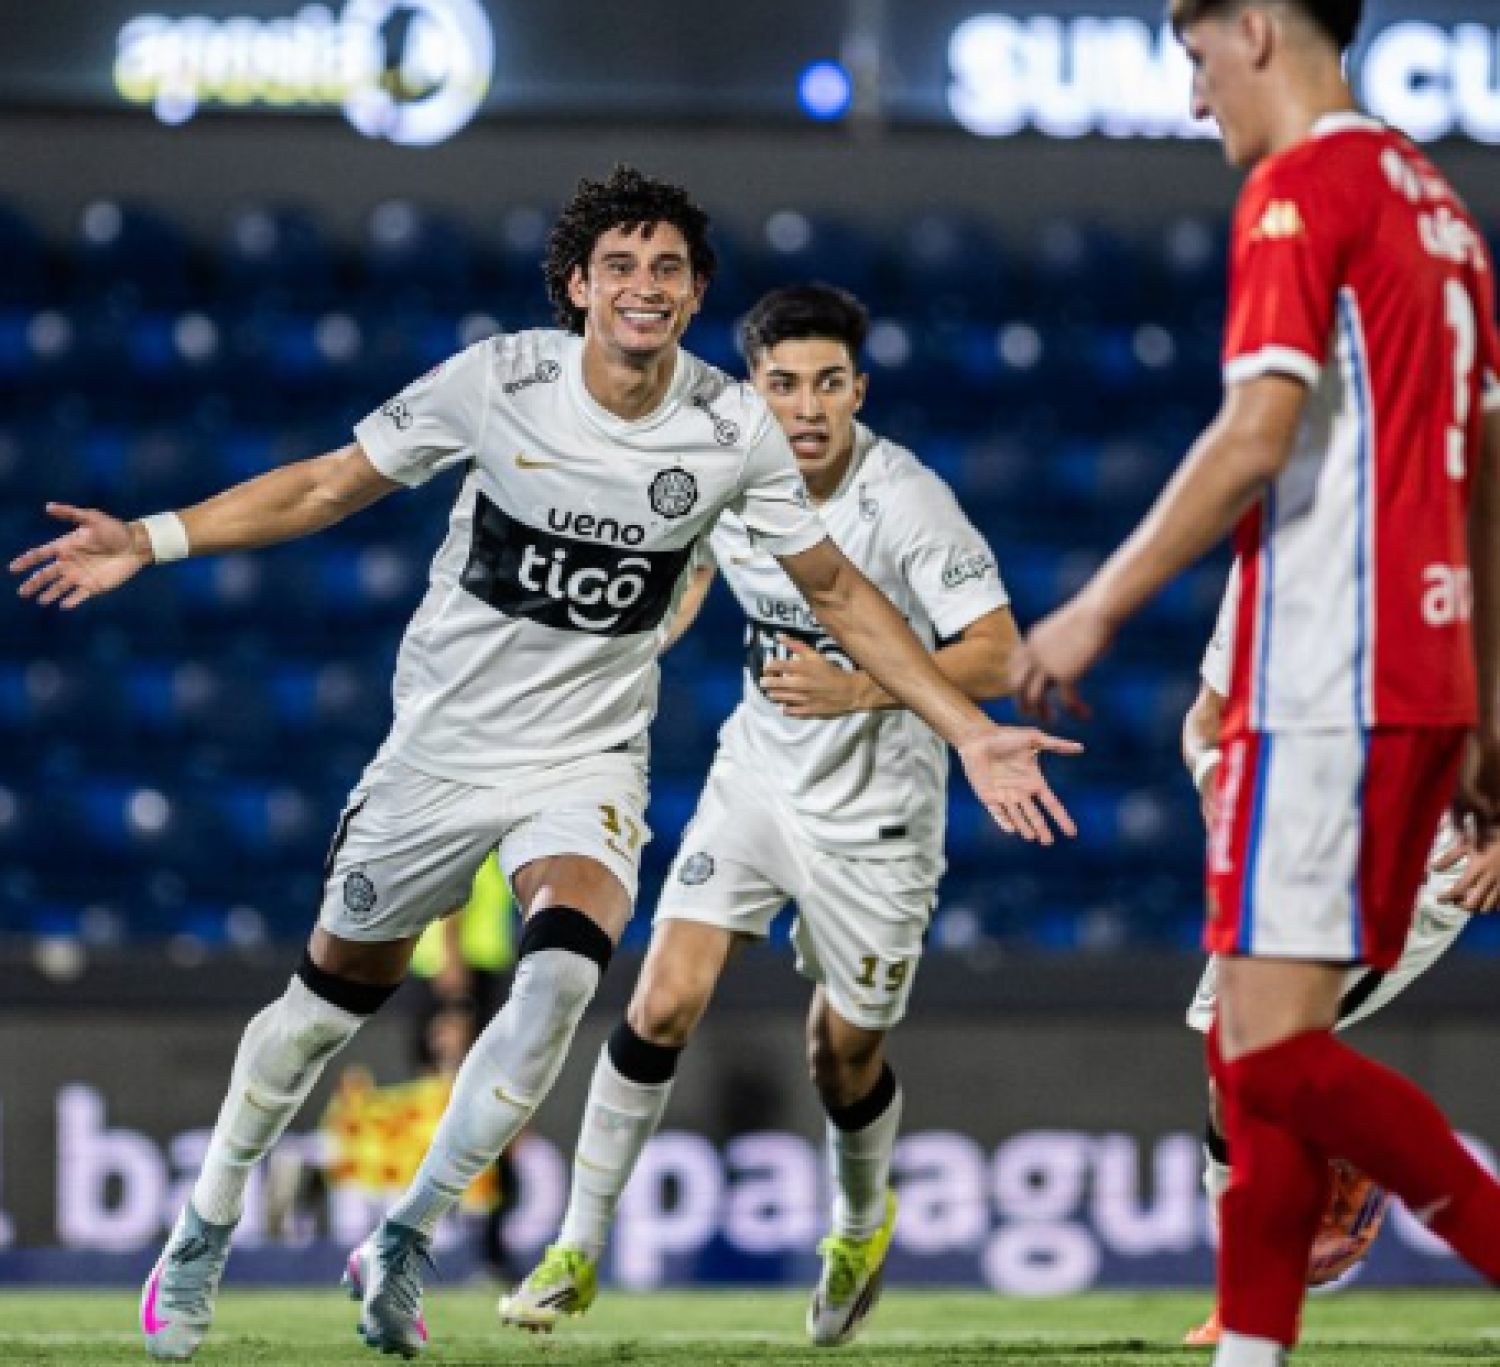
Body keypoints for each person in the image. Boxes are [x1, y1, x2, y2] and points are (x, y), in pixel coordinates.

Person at [9, 166, 1080, 1363]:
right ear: (577, 287)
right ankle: (202, 1226)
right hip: (442, 751)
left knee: (568, 976)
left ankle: (408, 1233)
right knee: (320, 1014)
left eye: (667, 268)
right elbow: (326, 484)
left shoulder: (731, 428)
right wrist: (152, 540)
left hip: (587, 758)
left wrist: (969, 726)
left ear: (695, 293)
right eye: (618, 265)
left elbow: (836, 587)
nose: (644, 286)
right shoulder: (501, 380)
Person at [1008, 0, 1500, 1361]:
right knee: (1257, 1055)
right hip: (1419, 679)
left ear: (1258, 31)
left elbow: (1251, 429)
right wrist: (1490, 725)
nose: (1192, 97)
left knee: (1269, 1059)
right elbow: (1487, 480)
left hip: (1329, 681)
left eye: (1195, 57)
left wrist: (1095, 609)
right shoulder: (1441, 212)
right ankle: (1252, 1351)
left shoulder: (1307, 187)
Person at [498, 282, 1019, 1346]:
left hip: (880, 819)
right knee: (660, 1003)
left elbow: (1002, 651)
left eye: (830, 383)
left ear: (859, 390)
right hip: (757, 782)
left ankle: (861, 1223)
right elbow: (684, 569)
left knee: (842, 1057)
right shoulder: (728, 466)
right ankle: (577, 1247)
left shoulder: (905, 501)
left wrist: (862, 684)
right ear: (757, 390)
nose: (808, 406)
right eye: (784, 383)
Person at [1180, 567, 1500, 1346]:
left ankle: (1258, 1289)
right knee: (1230, 1057)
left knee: (1246, 1040)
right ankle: (1252, 1284)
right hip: (1298, 834)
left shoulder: (1454, 536)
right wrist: (1216, 777)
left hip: (1431, 836)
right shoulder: (1268, 558)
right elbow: (1206, 717)